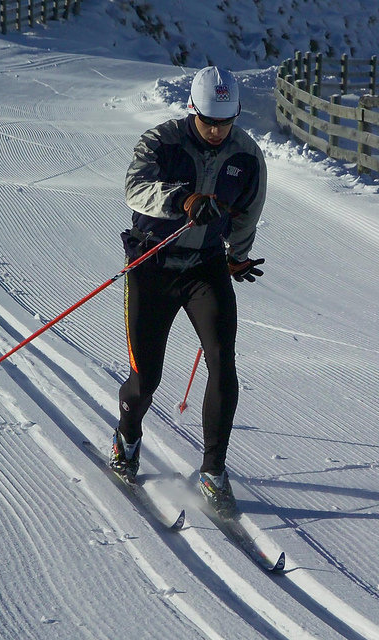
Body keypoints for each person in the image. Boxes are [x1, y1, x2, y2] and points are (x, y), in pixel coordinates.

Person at [110, 66, 267, 518]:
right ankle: (127, 436)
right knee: (146, 378)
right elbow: (134, 189)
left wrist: (237, 255)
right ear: (193, 110)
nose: (217, 131)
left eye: (226, 121)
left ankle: (214, 472)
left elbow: (247, 211)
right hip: (151, 264)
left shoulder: (247, 154)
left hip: (204, 267)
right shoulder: (161, 140)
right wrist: (184, 200)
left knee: (223, 360)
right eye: (209, 121)